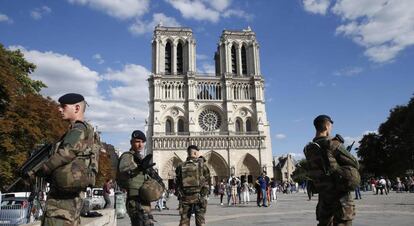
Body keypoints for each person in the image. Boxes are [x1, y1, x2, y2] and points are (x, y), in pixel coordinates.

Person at [39, 93, 95, 226]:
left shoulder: (79, 129)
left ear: (76, 108)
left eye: (63, 106)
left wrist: (41, 169)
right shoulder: (85, 130)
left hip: (62, 202)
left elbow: (66, 153)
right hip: (69, 198)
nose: (59, 109)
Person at [303, 115, 360, 226]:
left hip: (324, 196)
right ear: (326, 126)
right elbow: (355, 163)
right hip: (340, 197)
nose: (331, 130)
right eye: (330, 127)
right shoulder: (331, 143)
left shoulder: (308, 149)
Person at [118, 130, 155, 226]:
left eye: (142, 142)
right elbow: (124, 169)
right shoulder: (127, 156)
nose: (140, 145)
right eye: (138, 141)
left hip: (144, 200)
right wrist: (138, 168)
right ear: (131, 142)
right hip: (135, 201)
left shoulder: (141, 158)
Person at [175, 145, 211, 226]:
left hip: (185, 198)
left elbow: (177, 182)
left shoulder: (180, 166)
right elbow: (207, 181)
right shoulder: (203, 166)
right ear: (195, 153)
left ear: (188, 153)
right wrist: (204, 194)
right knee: (200, 221)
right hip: (199, 198)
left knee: (184, 221)